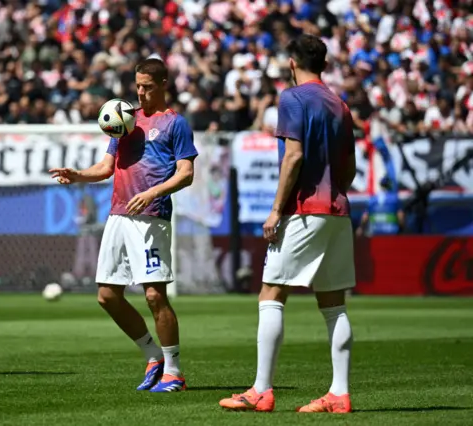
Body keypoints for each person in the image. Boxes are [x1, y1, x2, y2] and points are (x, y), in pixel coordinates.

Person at [219, 34, 357, 413]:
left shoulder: (292, 98)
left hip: (304, 211)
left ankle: (261, 390)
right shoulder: (340, 105)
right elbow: (350, 168)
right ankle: (339, 394)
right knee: (334, 305)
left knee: (271, 295)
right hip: (337, 210)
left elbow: (293, 157)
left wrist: (277, 210)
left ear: (292, 64)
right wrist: (333, 193)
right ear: (324, 65)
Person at [49, 58, 198, 392]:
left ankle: (174, 372)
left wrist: (153, 192)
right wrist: (77, 176)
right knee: (106, 295)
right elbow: (106, 166)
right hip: (118, 214)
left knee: (154, 295)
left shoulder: (175, 124)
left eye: (147, 86)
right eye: (137, 85)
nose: (140, 92)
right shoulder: (125, 119)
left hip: (151, 216)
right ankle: (153, 356)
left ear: (163, 84)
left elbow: (186, 173)